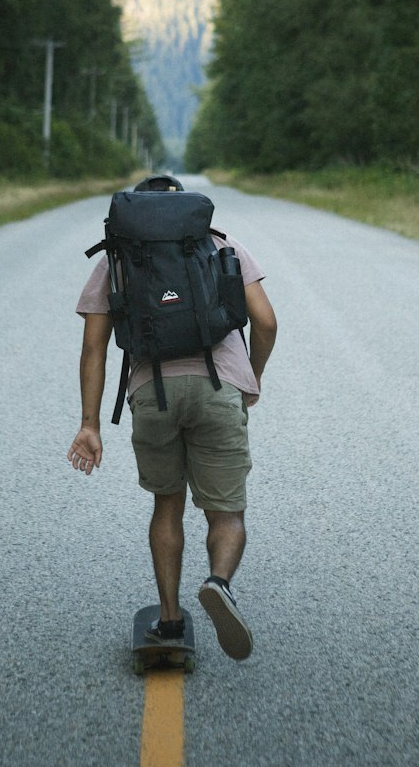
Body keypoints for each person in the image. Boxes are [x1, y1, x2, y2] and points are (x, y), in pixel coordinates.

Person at [67, 175, 277, 660]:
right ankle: (218, 583)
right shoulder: (222, 245)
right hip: (217, 386)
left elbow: (93, 347)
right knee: (226, 512)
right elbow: (265, 322)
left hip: (151, 392)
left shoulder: (117, 259)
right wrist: (253, 377)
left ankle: (169, 619)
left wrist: (90, 424)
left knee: (167, 504)